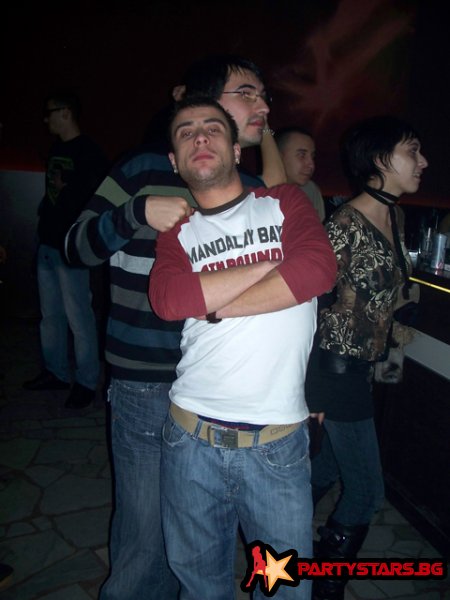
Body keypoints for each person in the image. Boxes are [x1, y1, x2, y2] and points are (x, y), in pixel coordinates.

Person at [65, 55, 287, 600]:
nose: (262, 105)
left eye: (264, 95)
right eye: (246, 92)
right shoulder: (143, 168)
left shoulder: (254, 190)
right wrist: (136, 213)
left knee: (202, 539)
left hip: (220, 389)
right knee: (144, 540)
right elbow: (75, 248)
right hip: (147, 383)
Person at [149, 97, 337, 599]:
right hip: (190, 439)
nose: (199, 137)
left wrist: (215, 306)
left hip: (276, 444)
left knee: (286, 592)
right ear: (174, 160)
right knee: (200, 588)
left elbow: (318, 269)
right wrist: (273, 265)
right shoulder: (177, 233)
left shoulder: (283, 202)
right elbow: (168, 299)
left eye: (213, 128)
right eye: (185, 132)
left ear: (236, 149)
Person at [305, 115, 428, 600]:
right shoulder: (342, 226)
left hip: (361, 370)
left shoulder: (395, 216)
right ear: (379, 159)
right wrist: (309, 391)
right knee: (366, 491)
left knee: (326, 471)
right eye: (412, 150)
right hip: (333, 371)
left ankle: (275, 531)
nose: (423, 161)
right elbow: (307, 305)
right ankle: (325, 586)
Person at [23, 90, 108, 409]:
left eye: (51, 112)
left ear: (66, 112)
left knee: (79, 316)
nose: (46, 119)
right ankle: (56, 372)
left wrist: (70, 187)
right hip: (48, 242)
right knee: (51, 316)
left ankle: (86, 381)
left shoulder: (89, 151)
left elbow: (98, 196)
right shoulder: (58, 148)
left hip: (72, 247)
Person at [275, 126, 326, 222]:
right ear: (278, 156)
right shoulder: (257, 190)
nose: (311, 165)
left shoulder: (311, 190)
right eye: (302, 155)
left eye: (312, 157)